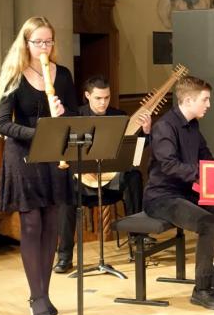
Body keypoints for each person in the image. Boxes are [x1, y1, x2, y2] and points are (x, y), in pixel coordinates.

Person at [0, 16, 78, 315]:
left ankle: (45, 292)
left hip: (54, 156)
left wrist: (64, 113)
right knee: (31, 225)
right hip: (23, 156)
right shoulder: (14, 75)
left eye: (48, 41)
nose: (44, 47)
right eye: (38, 42)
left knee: (51, 223)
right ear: (25, 43)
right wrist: (38, 131)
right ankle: (36, 296)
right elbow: (1, 124)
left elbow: (77, 113)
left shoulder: (62, 75)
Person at [143, 75, 214, 310]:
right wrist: (202, 174)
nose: (208, 105)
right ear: (187, 100)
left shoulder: (193, 124)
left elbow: (205, 156)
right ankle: (201, 290)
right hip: (162, 197)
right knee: (208, 224)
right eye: (205, 100)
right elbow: (169, 166)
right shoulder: (164, 127)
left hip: (185, 192)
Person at [54, 76, 152, 273]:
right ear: (87, 96)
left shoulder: (119, 116)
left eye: (106, 97)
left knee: (133, 176)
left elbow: (136, 151)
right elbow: (63, 149)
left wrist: (146, 131)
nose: (103, 102)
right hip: (84, 183)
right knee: (65, 194)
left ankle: (137, 238)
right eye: (98, 98)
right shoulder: (75, 117)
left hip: (110, 184)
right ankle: (64, 256)